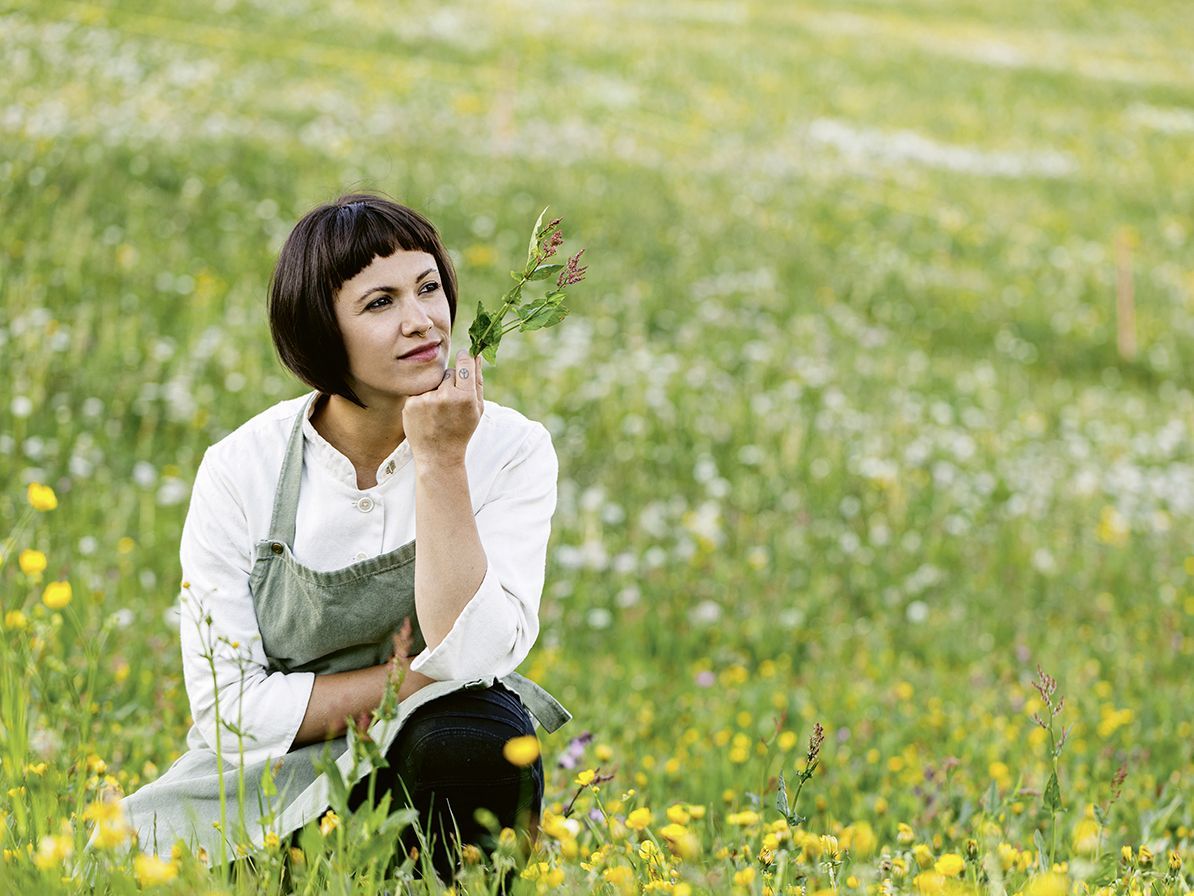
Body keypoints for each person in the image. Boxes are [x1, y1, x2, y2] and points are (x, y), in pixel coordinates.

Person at [113, 193, 571, 881]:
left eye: (428, 288)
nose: (422, 322)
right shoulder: (243, 468)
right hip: (269, 767)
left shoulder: (508, 448)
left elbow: (475, 654)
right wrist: (414, 678)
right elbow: (227, 709)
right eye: (379, 303)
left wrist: (442, 460)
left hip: (428, 746)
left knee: (475, 737)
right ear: (321, 330)